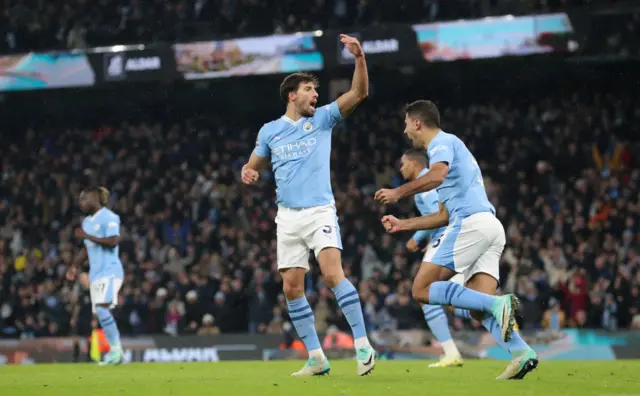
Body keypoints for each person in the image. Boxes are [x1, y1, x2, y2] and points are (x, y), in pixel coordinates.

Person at [241, 34, 376, 377]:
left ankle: (363, 345)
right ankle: (316, 357)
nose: (316, 95)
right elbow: (253, 164)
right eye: (309, 90)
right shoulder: (270, 131)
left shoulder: (323, 120)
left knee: (332, 275)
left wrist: (359, 59)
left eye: (317, 91)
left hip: (318, 211)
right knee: (291, 287)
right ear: (292, 95)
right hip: (286, 217)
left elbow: (358, 94)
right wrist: (248, 171)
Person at [375, 100, 538, 380]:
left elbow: (438, 175)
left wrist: (398, 193)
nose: (405, 131)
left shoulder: (441, 142)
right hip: (489, 228)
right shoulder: (454, 149)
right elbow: (442, 215)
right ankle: (522, 352)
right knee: (475, 308)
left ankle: (499, 305)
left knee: (421, 290)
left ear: (417, 123)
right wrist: (404, 224)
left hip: (470, 224)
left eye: (406, 124)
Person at [400, 149, 464, 368]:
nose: (401, 169)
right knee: (441, 295)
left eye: (403, 164)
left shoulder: (426, 187)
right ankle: (492, 308)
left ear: (413, 163)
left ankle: (451, 352)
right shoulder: (426, 184)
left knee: (425, 294)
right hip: (446, 239)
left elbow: (441, 216)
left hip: (444, 240)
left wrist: (416, 237)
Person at [67, 186, 124, 366]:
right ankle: (116, 351)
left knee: (101, 309)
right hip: (96, 274)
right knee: (101, 312)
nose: (81, 202)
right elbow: (86, 248)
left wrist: (87, 236)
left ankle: (116, 351)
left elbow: (113, 241)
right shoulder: (87, 223)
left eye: (84, 198)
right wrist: (74, 265)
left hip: (110, 270)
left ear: (94, 198)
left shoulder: (110, 217)